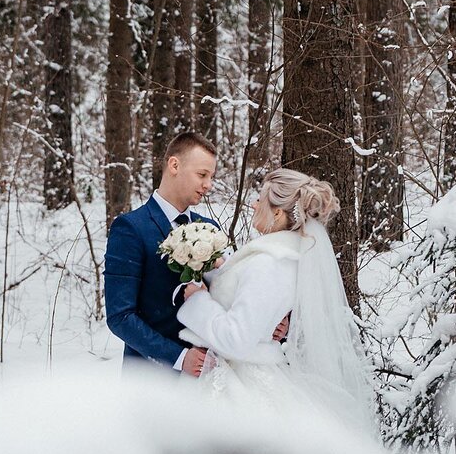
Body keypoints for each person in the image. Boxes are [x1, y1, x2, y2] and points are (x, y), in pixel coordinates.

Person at [176, 168, 376, 432]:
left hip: (238, 388)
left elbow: (236, 339)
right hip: (243, 375)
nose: (253, 205)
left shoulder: (268, 264)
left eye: (260, 200)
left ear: (278, 213)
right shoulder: (279, 258)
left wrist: (198, 300)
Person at [104, 132, 222, 376]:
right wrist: (178, 358)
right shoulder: (131, 228)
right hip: (152, 380)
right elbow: (120, 316)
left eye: (211, 177)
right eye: (202, 174)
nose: (208, 184)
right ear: (174, 165)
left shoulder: (211, 230)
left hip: (210, 379)